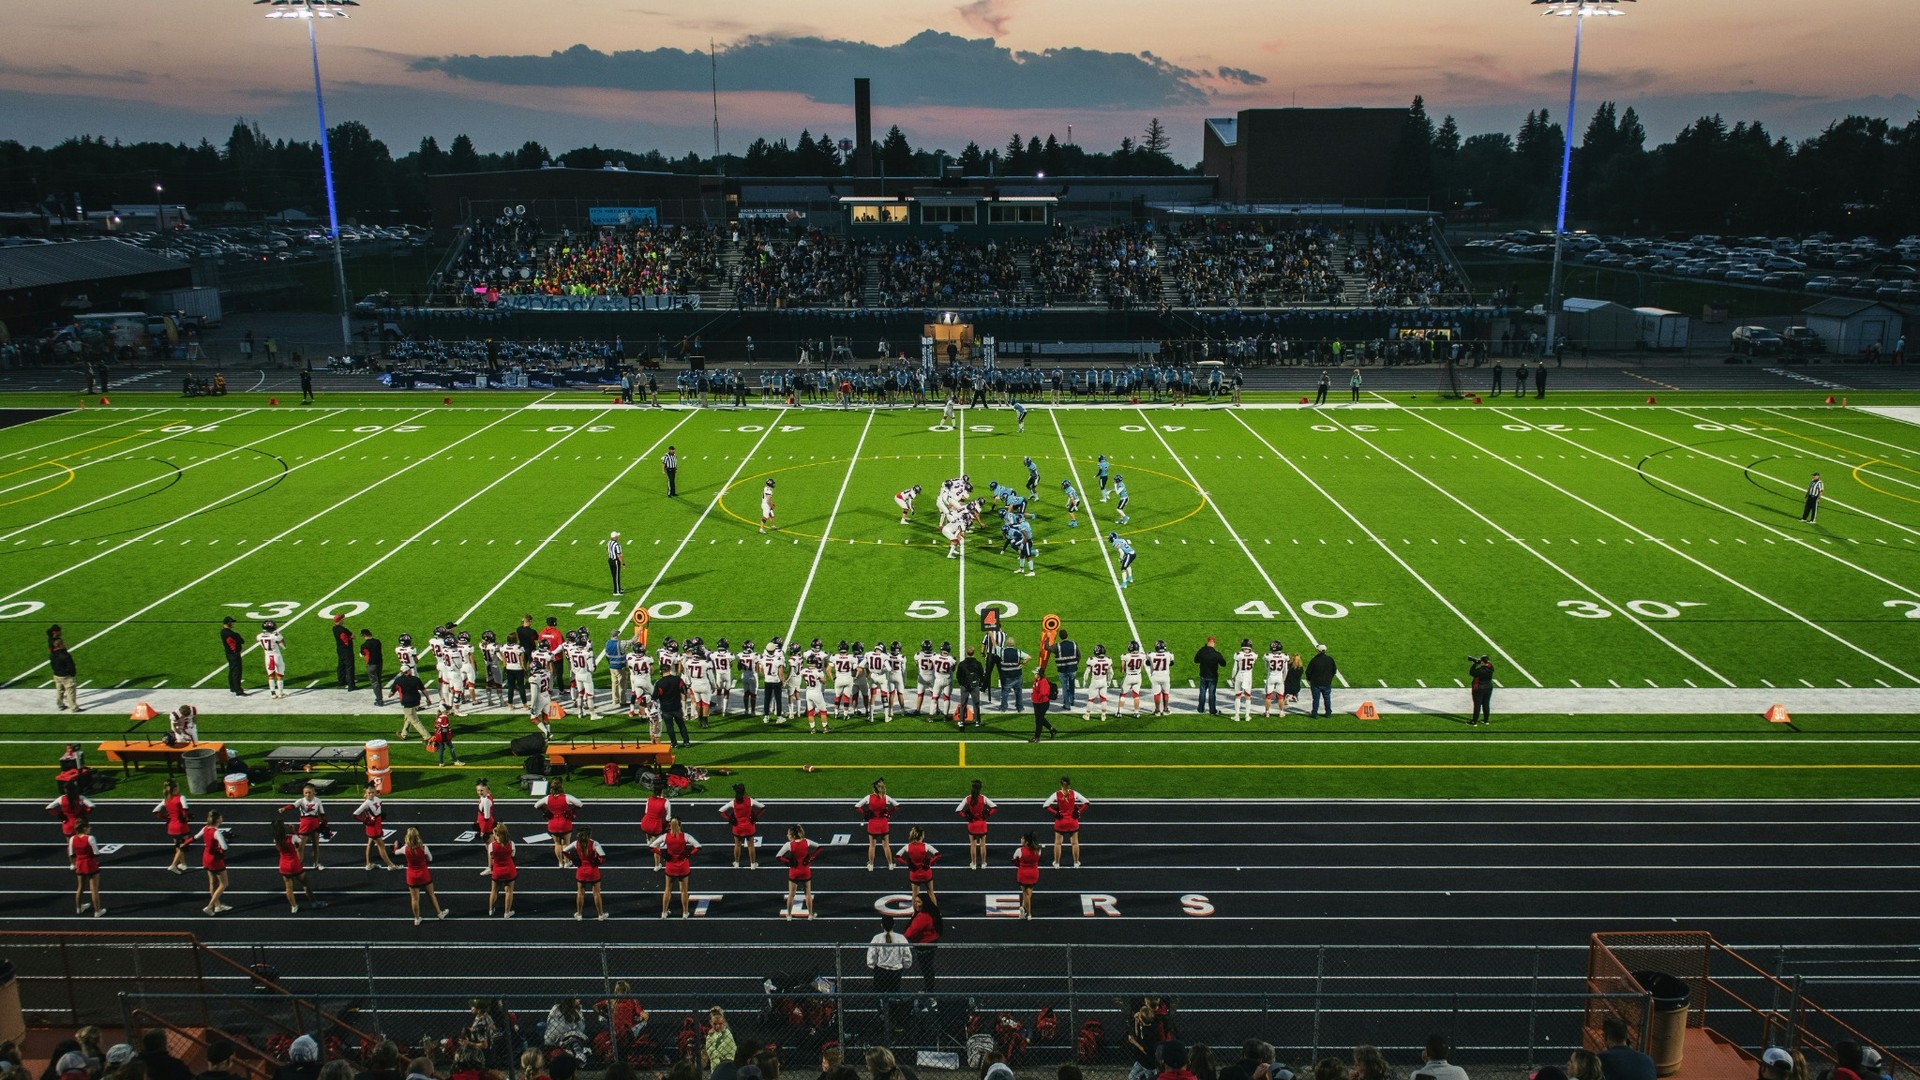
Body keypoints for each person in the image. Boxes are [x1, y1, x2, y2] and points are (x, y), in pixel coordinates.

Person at [865, 914, 912, 1031]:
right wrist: (905, 965)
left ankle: (882, 1018)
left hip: (881, 972)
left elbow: (871, 955)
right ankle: (894, 1020)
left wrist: (872, 965)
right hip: (895, 973)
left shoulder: (877, 938)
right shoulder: (901, 938)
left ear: (882, 925)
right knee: (894, 996)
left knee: (879, 996)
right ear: (894, 924)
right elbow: (907, 955)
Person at [396, 827, 448, 924]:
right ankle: (439, 913)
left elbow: (396, 852)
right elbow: (430, 859)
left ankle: (417, 919)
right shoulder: (424, 848)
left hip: (411, 875)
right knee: (431, 894)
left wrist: (395, 846)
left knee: (414, 898)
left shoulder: (405, 848)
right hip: (423, 874)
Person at [651, 818, 700, 918]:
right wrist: (689, 854)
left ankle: (664, 913)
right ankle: (685, 913)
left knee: (667, 890)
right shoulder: (685, 836)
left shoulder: (665, 836)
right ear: (680, 825)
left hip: (670, 866)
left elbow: (652, 846)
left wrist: (662, 854)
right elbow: (698, 846)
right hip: (683, 866)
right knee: (684, 891)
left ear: (670, 826)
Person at [271, 818, 317, 914]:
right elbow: (300, 842)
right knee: (305, 884)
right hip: (294, 864)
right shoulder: (291, 837)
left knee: (288, 888)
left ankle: (294, 907)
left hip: (283, 865)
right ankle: (314, 903)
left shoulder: (275, 840)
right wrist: (293, 830)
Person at [775, 823, 819, 919]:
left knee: (791, 895)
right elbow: (820, 847)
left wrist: (789, 862)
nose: (787, 835)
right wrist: (811, 858)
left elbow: (778, 856)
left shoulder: (789, 845)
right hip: (805, 871)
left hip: (794, 872)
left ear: (793, 835)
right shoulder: (807, 841)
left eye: (788, 834)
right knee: (808, 894)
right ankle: (810, 915)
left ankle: (789, 915)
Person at [283, 781, 330, 871]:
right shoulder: (301, 801)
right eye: (306, 793)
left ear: (314, 792)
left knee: (316, 846)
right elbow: (293, 806)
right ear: (303, 793)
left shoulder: (318, 800)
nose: (308, 794)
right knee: (300, 847)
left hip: (315, 824)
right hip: (304, 825)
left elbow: (322, 814)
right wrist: (284, 808)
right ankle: (299, 865)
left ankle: (316, 863)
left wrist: (325, 824)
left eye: (309, 792)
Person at [353, 781, 399, 871]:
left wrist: (380, 815)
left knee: (370, 844)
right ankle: (391, 865)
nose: (371, 794)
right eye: (369, 793)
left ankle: (368, 864)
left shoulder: (377, 799)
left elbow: (378, 807)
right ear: (365, 793)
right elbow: (355, 815)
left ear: (375, 791)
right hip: (372, 827)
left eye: (372, 792)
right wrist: (365, 821)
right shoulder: (366, 803)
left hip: (377, 824)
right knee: (381, 846)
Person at [566, 825, 608, 921]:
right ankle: (601, 915)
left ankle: (579, 914)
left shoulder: (576, 843)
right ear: (589, 835)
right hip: (593, 871)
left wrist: (573, 860)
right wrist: (597, 863)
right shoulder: (595, 844)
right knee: (596, 893)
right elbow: (602, 856)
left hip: (581, 871)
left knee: (580, 893)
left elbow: (564, 851)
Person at [537, 779, 582, 868]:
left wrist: (545, 810)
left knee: (557, 843)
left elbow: (536, 805)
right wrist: (572, 810)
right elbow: (579, 804)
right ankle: (567, 862)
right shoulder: (566, 797)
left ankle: (560, 863)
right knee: (566, 843)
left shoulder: (547, 798)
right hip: (565, 822)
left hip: (553, 823)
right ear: (561, 787)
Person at [1044, 775, 1087, 867]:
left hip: (1060, 822)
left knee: (1058, 843)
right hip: (1073, 821)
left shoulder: (1056, 794)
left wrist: (1056, 813)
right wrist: (1078, 811)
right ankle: (1076, 863)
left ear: (1061, 784)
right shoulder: (1074, 793)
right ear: (1069, 784)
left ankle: (1056, 863)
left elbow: (1045, 805)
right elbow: (1086, 802)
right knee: (1075, 843)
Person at [856, 779, 898, 871]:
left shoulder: (868, 797)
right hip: (883, 824)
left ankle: (871, 865)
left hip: (872, 824)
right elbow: (897, 805)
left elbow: (857, 806)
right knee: (886, 846)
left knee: (872, 846)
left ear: (874, 789)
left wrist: (865, 813)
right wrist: (889, 813)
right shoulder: (886, 797)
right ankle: (890, 864)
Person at [720, 783, 765, 868]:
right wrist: (755, 817)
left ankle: (736, 863)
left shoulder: (733, 802)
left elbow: (721, 811)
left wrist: (730, 819)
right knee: (751, 846)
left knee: (737, 845)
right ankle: (753, 864)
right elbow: (763, 807)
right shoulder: (750, 800)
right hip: (749, 827)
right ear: (744, 791)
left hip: (737, 827)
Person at [956, 778, 997, 869]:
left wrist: (966, 817)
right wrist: (987, 815)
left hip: (972, 824)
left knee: (973, 845)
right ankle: (983, 863)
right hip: (982, 824)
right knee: (983, 845)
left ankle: (973, 864)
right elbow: (994, 807)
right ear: (980, 788)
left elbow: (958, 810)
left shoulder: (967, 798)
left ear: (972, 788)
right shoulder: (983, 798)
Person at [153, 778, 192, 874]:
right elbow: (185, 809)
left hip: (171, 827)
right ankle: (173, 865)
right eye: (178, 786)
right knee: (183, 846)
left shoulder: (166, 799)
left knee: (178, 846)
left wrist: (166, 819)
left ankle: (183, 864)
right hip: (181, 826)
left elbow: (155, 811)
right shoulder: (181, 797)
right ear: (175, 789)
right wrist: (185, 818)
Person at [904, 893, 942, 991]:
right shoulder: (932, 912)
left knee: (926, 968)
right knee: (928, 968)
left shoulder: (922, 917)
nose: (915, 904)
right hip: (931, 942)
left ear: (924, 903)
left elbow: (910, 932)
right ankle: (929, 989)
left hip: (924, 945)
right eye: (915, 901)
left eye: (918, 902)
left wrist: (901, 939)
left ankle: (929, 990)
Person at [198, 810, 231, 915]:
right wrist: (225, 840)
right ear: (217, 820)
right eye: (221, 817)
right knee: (224, 884)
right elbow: (224, 847)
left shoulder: (205, 828)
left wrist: (185, 843)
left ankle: (218, 906)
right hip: (215, 860)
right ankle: (210, 906)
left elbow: (196, 837)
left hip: (206, 858)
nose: (222, 819)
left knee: (213, 882)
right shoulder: (216, 832)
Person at [69, 818, 104, 917]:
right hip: (90, 864)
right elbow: (96, 853)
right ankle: (97, 911)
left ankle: (79, 908)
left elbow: (71, 854)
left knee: (80, 887)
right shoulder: (90, 838)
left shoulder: (72, 838)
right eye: (88, 827)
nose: (90, 828)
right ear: (84, 828)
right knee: (94, 888)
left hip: (80, 864)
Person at [898, 825, 941, 903]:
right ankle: (935, 910)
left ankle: (915, 910)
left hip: (914, 874)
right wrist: (930, 862)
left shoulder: (907, 847)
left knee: (915, 894)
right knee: (931, 893)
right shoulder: (926, 846)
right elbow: (938, 855)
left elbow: (897, 857)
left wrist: (907, 863)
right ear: (921, 836)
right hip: (926, 872)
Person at [486, 823, 517, 918]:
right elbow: (513, 855)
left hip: (497, 871)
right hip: (509, 870)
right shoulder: (511, 844)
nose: (493, 835)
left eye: (494, 834)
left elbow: (491, 857)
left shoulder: (491, 846)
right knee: (509, 891)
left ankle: (491, 910)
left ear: (497, 834)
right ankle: (507, 912)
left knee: (494, 891)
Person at [655, 668, 690, 747]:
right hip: (677, 706)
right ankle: (686, 742)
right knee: (681, 725)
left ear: (661, 672)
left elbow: (655, 696)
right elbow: (684, 690)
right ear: (669, 670)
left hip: (666, 708)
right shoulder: (677, 679)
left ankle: (674, 743)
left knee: (669, 727)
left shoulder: (659, 682)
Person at [1011, 832, 1041, 920]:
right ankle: (1023, 908)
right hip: (1034, 873)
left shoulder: (1019, 850)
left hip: (1023, 874)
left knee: (1025, 893)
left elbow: (1014, 859)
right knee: (1029, 892)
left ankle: (1028, 914)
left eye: (1022, 838)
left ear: (1027, 842)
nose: (1021, 839)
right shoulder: (1038, 850)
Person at [1193, 637, 1225, 715]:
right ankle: (1212, 710)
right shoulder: (1216, 654)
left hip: (1203, 675)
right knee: (1211, 693)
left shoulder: (1201, 652)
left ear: (1207, 642)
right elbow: (1223, 664)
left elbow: (1196, 660)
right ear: (1214, 643)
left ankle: (1200, 709)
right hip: (1212, 676)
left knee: (1202, 692)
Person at [955, 647, 986, 729]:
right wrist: (979, 684)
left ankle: (961, 721)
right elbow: (981, 675)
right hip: (975, 685)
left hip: (964, 686)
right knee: (976, 703)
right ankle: (977, 721)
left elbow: (958, 676)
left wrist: (962, 684)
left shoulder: (962, 664)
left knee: (963, 704)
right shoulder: (978, 663)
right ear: (973, 653)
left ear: (966, 653)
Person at [257, 618, 287, 699]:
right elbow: (284, 646)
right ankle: (280, 693)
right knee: (279, 675)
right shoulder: (275, 635)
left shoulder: (259, 636)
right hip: (276, 656)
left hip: (268, 657)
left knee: (270, 675)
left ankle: (273, 693)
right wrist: (279, 639)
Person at [48, 632, 79, 712]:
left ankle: (60, 705)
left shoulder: (52, 655)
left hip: (56, 675)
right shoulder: (65, 655)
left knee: (59, 691)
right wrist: (72, 674)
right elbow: (71, 666)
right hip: (65, 676)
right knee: (70, 692)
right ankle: (74, 708)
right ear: (61, 645)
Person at [1305, 645, 1337, 718]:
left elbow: (1308, 672)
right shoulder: (1330, 659)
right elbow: (1334, 671)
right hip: (1327, 683)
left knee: (1316, 699)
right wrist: (1329, 678)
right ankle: (1328, 713)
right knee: (1327, 698)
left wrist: (1310, 679)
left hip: (1316, 683)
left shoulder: (1314, 660)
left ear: (1318, 651)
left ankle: (1315, 713)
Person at [220, 616, 247, 696]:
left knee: (232, 670)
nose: (233, 624)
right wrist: (237, 635)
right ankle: (238, 690)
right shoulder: (231, 633)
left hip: (229, 653)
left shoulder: (223, 632)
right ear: (228, 623)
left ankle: (232, 687)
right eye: (231, 622)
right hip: (234, 654)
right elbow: (242, 641)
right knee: (236, 672)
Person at [1053, 629, 1080, 708]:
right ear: (1067, 635)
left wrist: (1048, 637)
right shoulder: (1074, 644)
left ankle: (1067, 704)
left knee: (1065, 687)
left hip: (1062, 670)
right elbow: (1079, 656)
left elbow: (1047, 647)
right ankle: (1072, 701)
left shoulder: (1057, 646)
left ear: (1060, 637)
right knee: (1071, 686)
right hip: (1072, 669)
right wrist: (1075, 664)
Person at [1030, 665, 1057, 742]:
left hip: (1042, 703)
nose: (1034, 674)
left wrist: (1036, 697)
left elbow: (1043, 693)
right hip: (1036, 702)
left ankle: (1037, 737)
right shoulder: (1036, 680)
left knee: (1039, 721)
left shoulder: (1043, 681)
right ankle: (1052, 730)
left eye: (1035, 673)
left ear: (1039, 674)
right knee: (1040, 719)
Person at [1467, 655, 1494, 726]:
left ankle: (1474, 721)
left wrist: (1474, 664)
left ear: (1482, 662)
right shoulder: (1491, 667)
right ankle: (1486, 720)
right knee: (1486, 703)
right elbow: (1487, 663)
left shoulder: (1480, 670)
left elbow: (1472, 672)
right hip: (1488, 687)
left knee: (1477, 704)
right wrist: (1480, 662)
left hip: (1479, 688)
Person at [332, 615, 357, 691]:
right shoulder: (343, 629)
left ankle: (341, 681)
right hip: (347, 651)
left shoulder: (334, 628)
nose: (343, 620)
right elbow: (352, 637)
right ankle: (351, 686)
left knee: (341, 665)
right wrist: (350, 637)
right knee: (349, 667)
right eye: (342, 619)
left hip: (340, 650)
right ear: (339, 621)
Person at [361, 629, 385, 706]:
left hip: (371, 664)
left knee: (374, 682)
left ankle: (379, 700)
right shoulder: (377, 641)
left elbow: (362, 654)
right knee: (379, 680)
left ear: (364, 635)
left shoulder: (364, 645)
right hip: (379, 663)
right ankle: (380, 696)